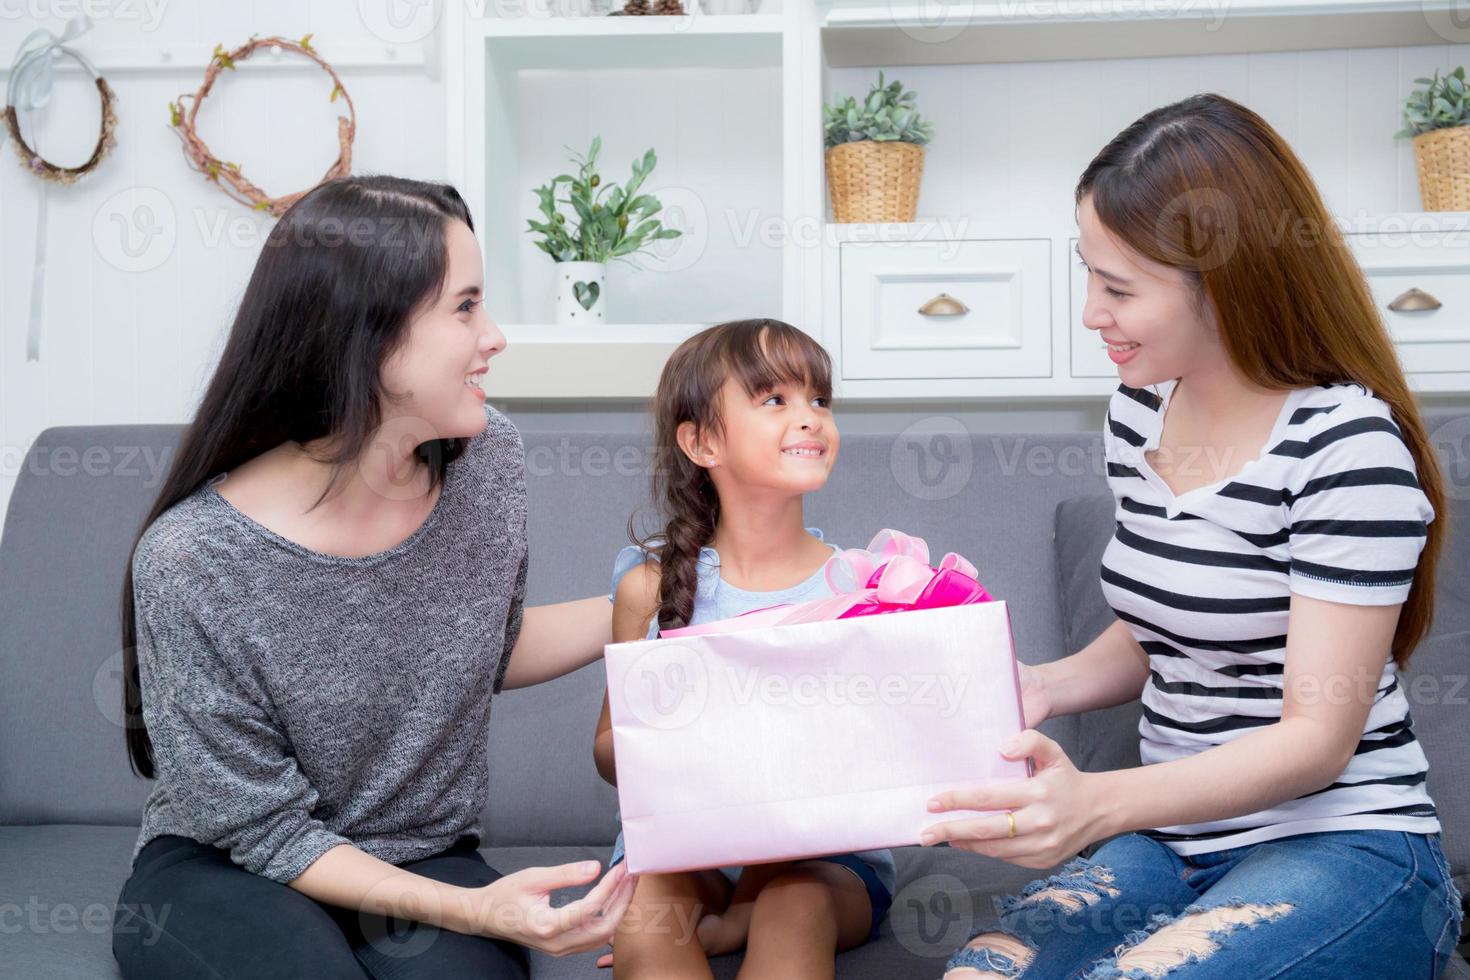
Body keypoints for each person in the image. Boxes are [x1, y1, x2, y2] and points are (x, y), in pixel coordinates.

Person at [929, 94, 1463, 979]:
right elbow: (1162, 625)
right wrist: (1037, 686)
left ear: (1225, 281)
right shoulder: (1140, 412)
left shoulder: (1346, 445)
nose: (1093, 312)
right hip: (1175, 844)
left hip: (1344, 845)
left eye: (1120, 288)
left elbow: (1316, 739)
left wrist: (1096, 805)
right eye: (1088, 275)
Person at [112, 176, 636, 979]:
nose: (493, 336)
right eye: (465, 307)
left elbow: (480, 646)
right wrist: (478, 909)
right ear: (371, 333)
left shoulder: (486, 460)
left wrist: (661, 598)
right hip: (231, 866)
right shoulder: (193, 561)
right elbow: (267, 832)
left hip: (424, 854)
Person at [591, 319, 896, 979]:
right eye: (774, 400)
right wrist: (691, 737)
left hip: (822, 863)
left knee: (793, 901)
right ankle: (725, 922)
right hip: (679, 850)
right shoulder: (648, 586)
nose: (811, 418)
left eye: (820, 399)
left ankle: (743, 922)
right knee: (652, 908)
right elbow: (610, 751)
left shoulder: (863, 585)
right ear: (701, 442)